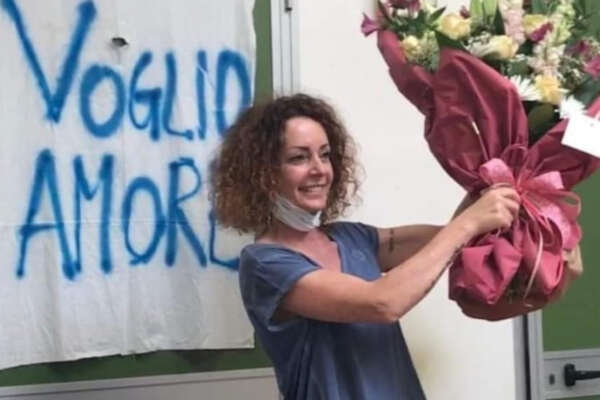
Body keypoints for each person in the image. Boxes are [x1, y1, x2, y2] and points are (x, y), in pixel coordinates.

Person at [210, 93, 523, 400]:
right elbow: (382, 303)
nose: (320, 169)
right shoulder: (265, 263)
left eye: (325, 155)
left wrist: (489, 185)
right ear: (263, 174)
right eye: (299, 158)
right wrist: (469, 223)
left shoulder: (351, 238)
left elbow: (449, 243)